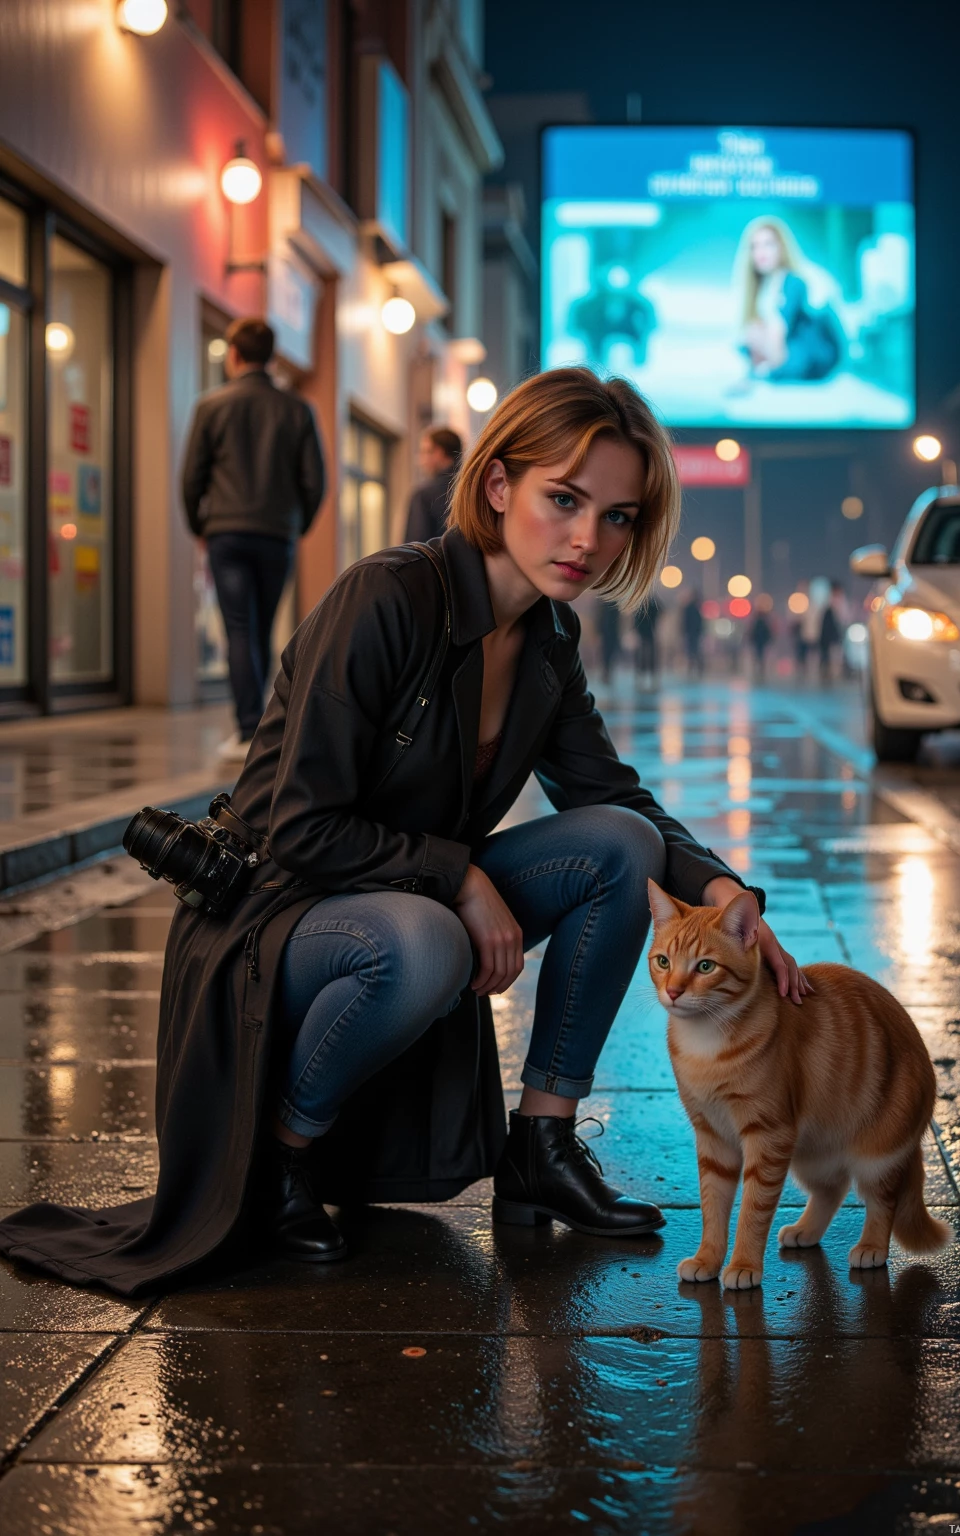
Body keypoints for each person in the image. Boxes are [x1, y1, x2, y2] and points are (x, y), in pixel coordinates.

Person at [0, 368, 809, 1294]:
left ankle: (541, 1146)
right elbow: (302, 828)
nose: (588, 538)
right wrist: (460, 876)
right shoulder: (387, 597)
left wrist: (727, 897)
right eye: (564, 499)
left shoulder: (548, 641)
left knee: (619, 846)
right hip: (279, 910)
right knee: (425, 940)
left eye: (617, 516)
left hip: (404, 890)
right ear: (499, 486)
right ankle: (279, 1156)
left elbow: (621, 799)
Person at [182, 317, 325, 761]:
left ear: (235, 354)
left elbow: (191, 478)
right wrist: (294, 526)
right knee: (261, 628)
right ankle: (262, 728)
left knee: (239, 628)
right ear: (271, 356)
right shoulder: (297, 408)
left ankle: (247, 729)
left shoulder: (211, 406)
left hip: (226, 532)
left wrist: (199, 527)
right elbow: (315, 481)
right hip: (275, 534)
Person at [733, 219, 843, 386]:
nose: (761, 252)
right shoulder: (765, 286)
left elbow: (778, 333)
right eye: (755, 246)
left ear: (781, 248)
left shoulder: (792, 281)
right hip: (791, 349)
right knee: (749, 337)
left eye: (768, 244)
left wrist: (768, 366)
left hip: (815, 354)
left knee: (755, 338)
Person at [405, 426, 462, 542]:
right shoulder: (475, 488)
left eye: (425, 452)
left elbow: (414, 548)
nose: (420, 460)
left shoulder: (424, 495)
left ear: (438, 453)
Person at [633, 592, 661, 687]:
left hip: (648, 633)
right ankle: (643, 678)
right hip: (644, 633)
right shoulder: (642, 603)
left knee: (648, 657)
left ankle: (649, 678)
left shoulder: (651, 602)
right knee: (643, 657)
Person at [750, 597, 773, 681]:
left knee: (759, 654)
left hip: (760, 640)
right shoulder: (760, 619)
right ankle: (759, 667)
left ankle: (759, 667)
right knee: (759, 654)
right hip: (759, 640)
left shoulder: (761, 619)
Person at [682, 591, 704, 676]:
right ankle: (695, 669)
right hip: (694, 634)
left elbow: (685, 622)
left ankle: (692, 669)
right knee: (694, 652)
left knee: (692, 652)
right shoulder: (696, 608)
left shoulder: (690, 608)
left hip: (692, 634)